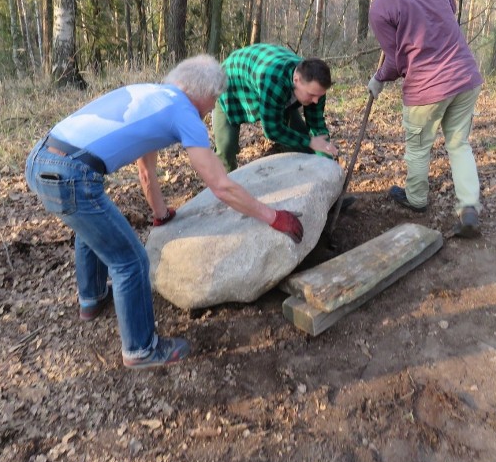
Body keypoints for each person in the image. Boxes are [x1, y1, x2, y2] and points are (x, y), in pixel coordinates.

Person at [24, 55, 304, 370]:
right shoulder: (184, 112)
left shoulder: (151, 95)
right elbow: (221, 186)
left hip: (41, 159)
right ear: (202, 92)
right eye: (213, 99)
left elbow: (146, 171)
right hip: (70, 173)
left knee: (90, 229)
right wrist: (272, 216)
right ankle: (141, 349)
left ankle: (92, 299)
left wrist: (160, 214)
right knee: (130, 261)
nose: (213, 108)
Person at [353, 0, 483, 237]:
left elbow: (397, 62)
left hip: (427, 87)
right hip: (465, 75)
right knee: (459, 145)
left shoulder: (381, 6)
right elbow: (450, 12)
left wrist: (378, 78)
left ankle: (416, 199)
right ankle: (469, 207)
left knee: (419, 146)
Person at [212, 43, 338, 172]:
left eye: (319, 96)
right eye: (311, 95)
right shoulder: (273, 80)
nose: (316, 101)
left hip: (268, 85)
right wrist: (309, 141)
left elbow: (317, 127)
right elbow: (273, 130)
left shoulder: (315, 87)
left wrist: (327, 162)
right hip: (231, 82)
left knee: (303, 143)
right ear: (296, 80)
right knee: (226, 148)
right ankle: (225, 187)